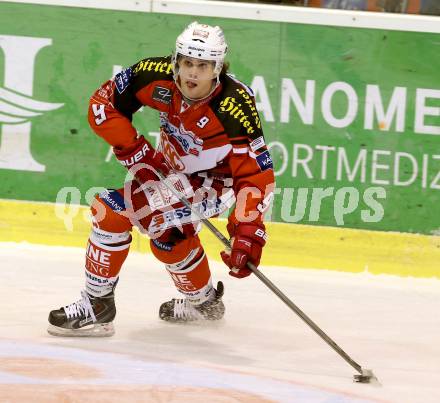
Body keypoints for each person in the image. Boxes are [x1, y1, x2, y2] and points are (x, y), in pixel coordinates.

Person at [47, 22, 275, 336]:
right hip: (168, 172)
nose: (193, 73)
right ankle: (201, 302)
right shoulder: (153, 74)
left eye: (204, 65)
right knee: (158, 235)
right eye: (187, 63)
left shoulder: (236, 106)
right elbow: (102, 105)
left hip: (214, 184)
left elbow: (255, 174)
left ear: (218, 69)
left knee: (121, 215)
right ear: (176, 61)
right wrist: (134, 148)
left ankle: (100, 306)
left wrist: (247, 229)